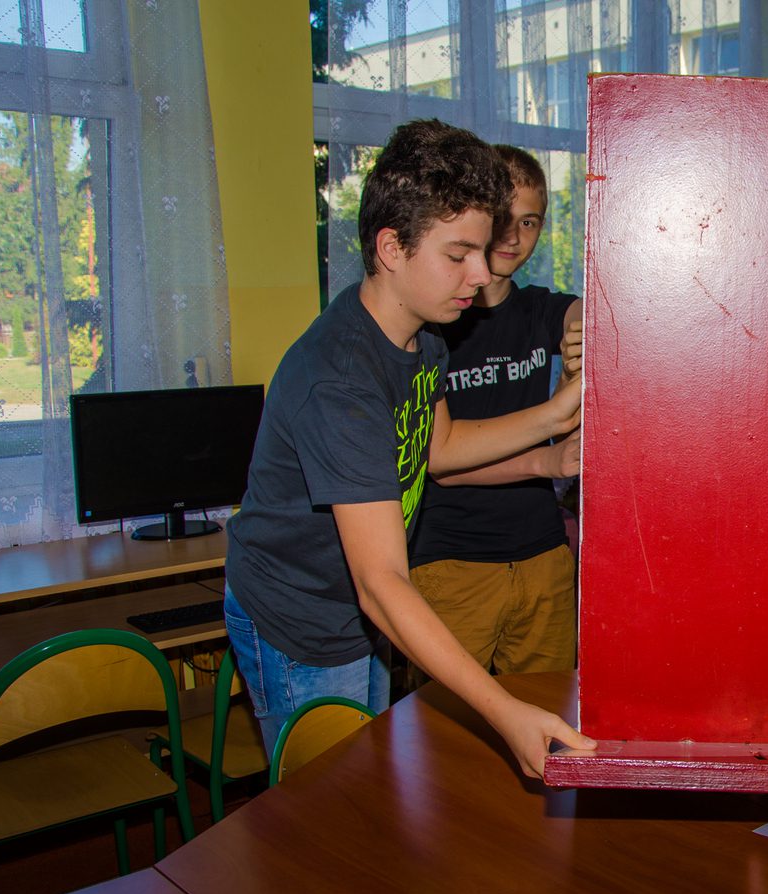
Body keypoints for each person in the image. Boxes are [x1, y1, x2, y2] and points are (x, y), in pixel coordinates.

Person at [223, 120, 594, 778]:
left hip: (352, 604)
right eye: (459, 255)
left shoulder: (421, 334)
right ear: (391, 247)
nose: (481, 272)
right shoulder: (341, 380)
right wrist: (504, 711)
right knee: (329, 795)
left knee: (371, 777)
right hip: (302, 613)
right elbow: (382, 584)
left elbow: (440, 446)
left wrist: (558, 412)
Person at [408, 146, 581, 675]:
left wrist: (582, 329)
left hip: (543, 555)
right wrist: (547, 460)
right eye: (502, 217)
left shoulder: (537, 309)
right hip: (452, 561)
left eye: (529, 222)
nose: (512, 236)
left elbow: (584, 309)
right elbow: (443, 464)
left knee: (549, 712)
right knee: (443, 721)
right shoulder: (433, 323)